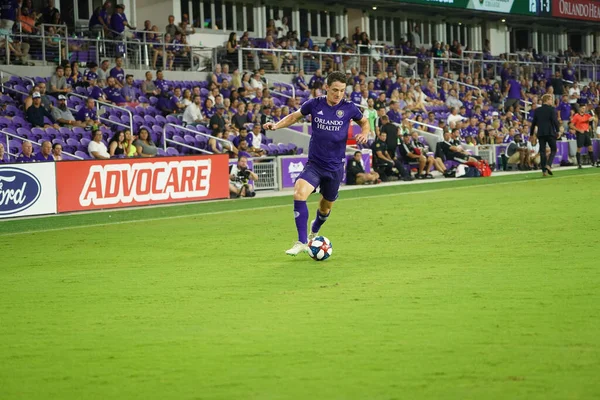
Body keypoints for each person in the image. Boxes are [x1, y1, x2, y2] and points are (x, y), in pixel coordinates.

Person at [262, 71, 370, 256]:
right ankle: (301, 242)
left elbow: (365, 122)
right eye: (335, 90)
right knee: (299, 193)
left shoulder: (349, 108)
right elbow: (294, 116)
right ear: (326, 87)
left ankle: (315, 228)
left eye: (342, 91)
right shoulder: (314, 104)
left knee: (325, 208)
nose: (338, 94)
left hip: (335, 167)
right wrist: (276, 125)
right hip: (315, 164)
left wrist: (365, 133)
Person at [530, 94, 560, 176]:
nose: (552, 102)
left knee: (542, 151)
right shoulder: (551, 109)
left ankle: (544, 171)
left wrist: (531, 134)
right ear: (546, 100)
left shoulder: (537, 110)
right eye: (550, 100)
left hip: (541, 133)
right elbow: (554, 121)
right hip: (550, 132)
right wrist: (558, 131)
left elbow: (533, 123)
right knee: (554, 149)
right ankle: (548, 165)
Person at [570, 103, 597, 168]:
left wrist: (593, 118)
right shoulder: (576, 116)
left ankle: (593, 162)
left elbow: (596, 120)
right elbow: (571, 125)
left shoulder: (587, 115)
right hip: (580, 133)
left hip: (586, 133)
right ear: (579, 108)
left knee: (590, 147)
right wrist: (578, 130)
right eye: (582, 108)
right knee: (579, 148)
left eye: (584, 108)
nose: (584, 109)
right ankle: (579, 164)